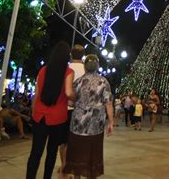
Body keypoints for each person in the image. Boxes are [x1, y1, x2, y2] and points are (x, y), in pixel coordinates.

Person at [26, 41, 75, 179]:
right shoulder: (68, 72)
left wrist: (33, 112)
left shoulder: (43, 70)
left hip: (39, 116)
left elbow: (36, 94)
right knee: (51, 152)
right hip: (57, 118)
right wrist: (76, 98)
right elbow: (69, 92)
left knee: (35, 152)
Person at [63, 54, 114, 178]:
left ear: (85, 67)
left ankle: (77, 176)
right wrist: (111, 122)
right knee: (93, 153)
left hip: (77, 125)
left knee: (77, 153)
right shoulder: (103, 82)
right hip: (96, 126)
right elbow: (108, 103)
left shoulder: (78, 82)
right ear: (97, 67)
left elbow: (70, 102)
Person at [59, 44, 86, 174]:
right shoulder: (87, 70)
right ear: (83, 55)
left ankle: (64, 165)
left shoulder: (65, 68)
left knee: (63, 141)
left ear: (71, 54)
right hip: (81, 111)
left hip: (65, 108)